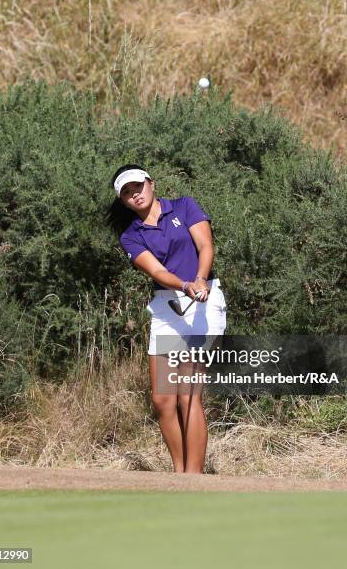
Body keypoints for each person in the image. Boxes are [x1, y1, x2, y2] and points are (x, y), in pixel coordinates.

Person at [107, 164, 227, 473]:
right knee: (162, 399)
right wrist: (185, 285)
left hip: (204, 303)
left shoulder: (185, 206)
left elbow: (205, 245)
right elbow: (158, 272)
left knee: (188, 396)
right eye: (128, 193)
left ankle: (193, 478)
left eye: (139, 187)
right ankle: (178, 474)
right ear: (123, 201)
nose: (136, 195)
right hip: (167, 307)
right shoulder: (131, 236)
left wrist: (198, 279)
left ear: (151, 183)